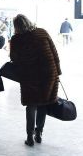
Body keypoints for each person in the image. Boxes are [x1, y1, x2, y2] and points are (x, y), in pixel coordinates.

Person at [10, 14, 61, 146]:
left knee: (31, 105)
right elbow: (54, 53)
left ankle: (29, 137)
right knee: (43, 103)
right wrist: (57, 73)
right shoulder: (42, 32)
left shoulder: (16, 39)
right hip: (48, 74)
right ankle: (39, 133)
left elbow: (14, 58)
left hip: (29, 75)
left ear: (16, 26)